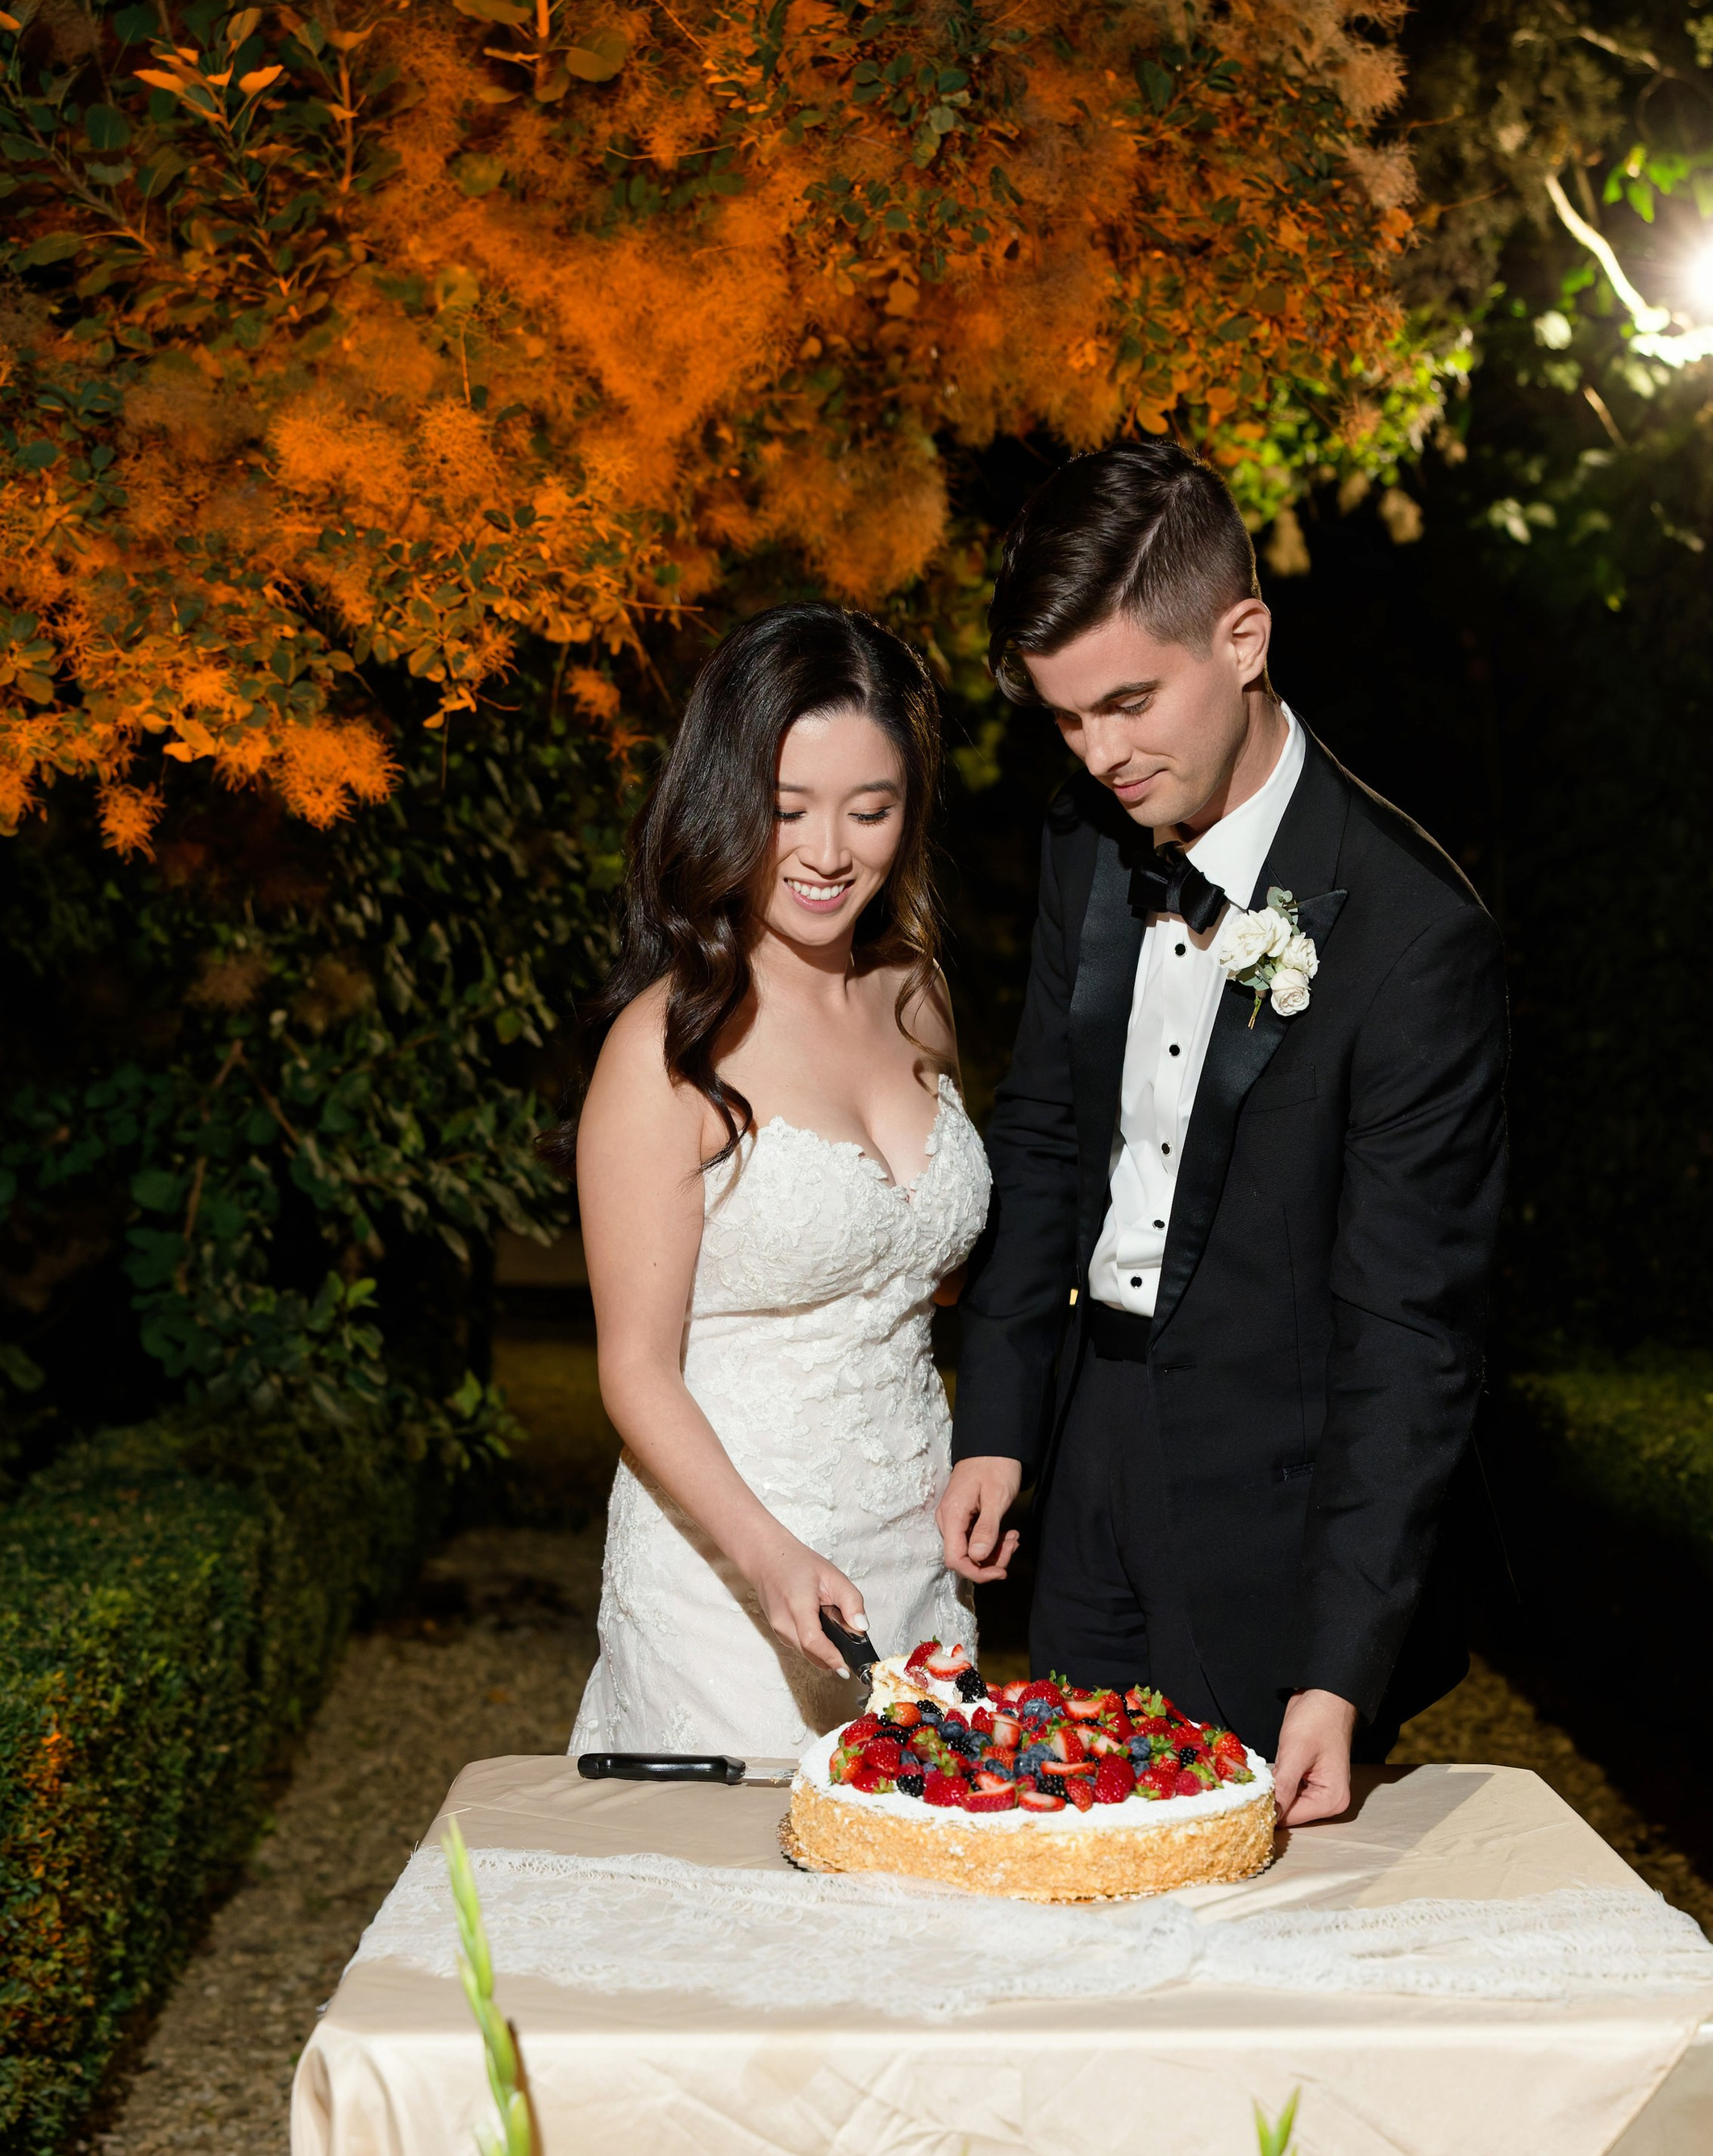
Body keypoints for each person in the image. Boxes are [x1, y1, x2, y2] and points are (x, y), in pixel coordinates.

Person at [940, 441, 1507, 1825]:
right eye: (1068, 719)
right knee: (1064, 1858)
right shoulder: (1090, 834)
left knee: (1241, 1950)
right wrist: (1002, 1418)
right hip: (1090, 1448)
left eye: (1128, 703)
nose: (1099, 754)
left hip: (1273, 1510)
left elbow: (1411, 1331)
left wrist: (1339, 1668)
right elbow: (1049, 1130)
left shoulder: (1414, 934)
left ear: (1245, 637)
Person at [567, 604, 988, 1761]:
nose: (828, 852)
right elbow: (635, 1369)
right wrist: (768, 1561)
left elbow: (925, 1272)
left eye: (872, 809)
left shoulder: (918, 995)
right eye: (786, 809)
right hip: (731, 1571)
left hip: (916, 1551)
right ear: (721, 802)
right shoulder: (667, 1048)